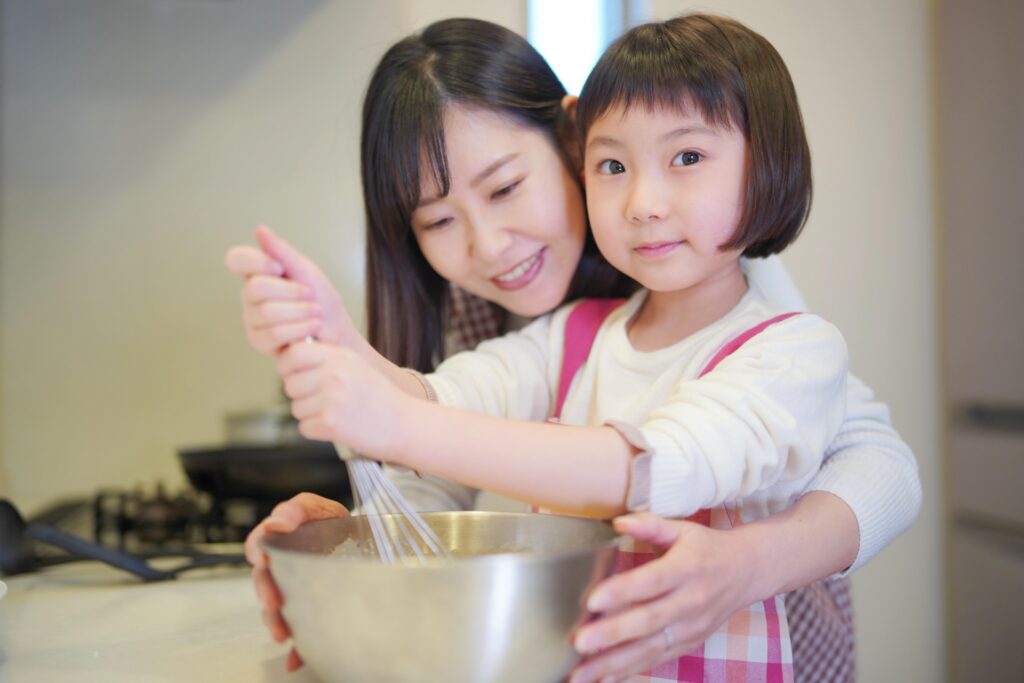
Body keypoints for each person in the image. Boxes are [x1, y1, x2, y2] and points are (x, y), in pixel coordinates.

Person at [227, 17, 919, 682]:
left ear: (569, 135)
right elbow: (445, 418)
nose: (490, 246)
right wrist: (360, 531)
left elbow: (877, 459)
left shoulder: (736, 288)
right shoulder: (539, 322)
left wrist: (748, 563)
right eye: (437, 219)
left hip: (766, 617)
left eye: (505, 186)